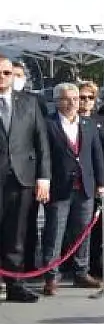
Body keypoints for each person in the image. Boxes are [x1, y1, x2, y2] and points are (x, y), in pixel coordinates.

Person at [41, 83, 104, 294]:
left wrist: (102, 183)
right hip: (59, 187)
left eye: (76, 98)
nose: (72, 103)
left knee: (83, 232)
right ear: (57, 101)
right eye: (67, 99)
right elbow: (45, 157)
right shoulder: (48, 124)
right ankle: (52, 275)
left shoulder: (88, 124)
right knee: (55, 233)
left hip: (85, 187)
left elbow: (97, 156)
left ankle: (81, 271)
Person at [0, 55, 51, 303]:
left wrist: (44, 177)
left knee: (17, 235)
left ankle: (15, 284)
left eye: (7, 73)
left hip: (22, 178)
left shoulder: (30, 103)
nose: (2, 77)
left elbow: (42, 143)